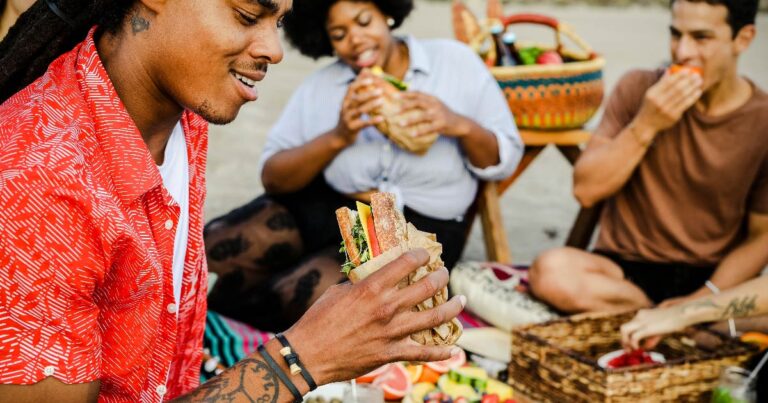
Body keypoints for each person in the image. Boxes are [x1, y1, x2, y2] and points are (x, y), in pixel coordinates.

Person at [0, 1, 465, 401]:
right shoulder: (38, 191)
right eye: (247, 15)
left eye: (278, 21)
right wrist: (299, 360)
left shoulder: (185, 115)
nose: (274, 50)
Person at [204, 0, 522, 331]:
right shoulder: (323, 86)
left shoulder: (454, 62)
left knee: (304, 293)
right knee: (217, 246)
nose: (355, 40)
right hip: (332, 206)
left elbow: (504, 160)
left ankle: (221, 328)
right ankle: (205, 326)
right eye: (339, 34)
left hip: (415, 227)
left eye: (364, 21)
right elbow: (274, 178)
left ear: (388, 13)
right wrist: (340, 136)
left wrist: (457, 124)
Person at [528, 0, 768, 314]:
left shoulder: (761, 121)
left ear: (743, 38)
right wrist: (646, 124)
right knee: (551, 271)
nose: (682, 52)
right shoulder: (637, 88)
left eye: (701, 38)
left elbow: (761, 237)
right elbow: (586, 190)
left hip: (714, 277)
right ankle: (663, 318)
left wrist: (703, 300)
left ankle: (685, 318)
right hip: (624, 274)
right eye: (675, 34)